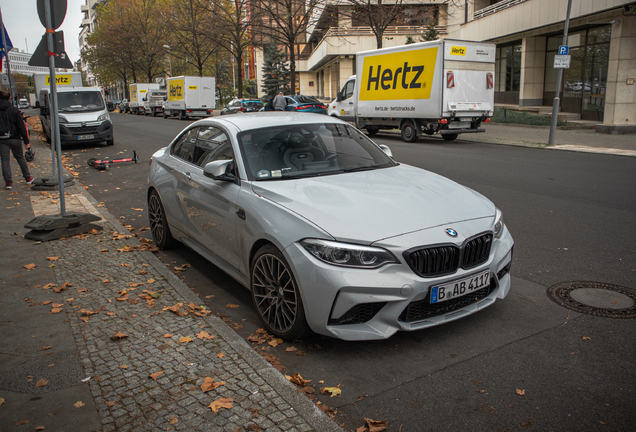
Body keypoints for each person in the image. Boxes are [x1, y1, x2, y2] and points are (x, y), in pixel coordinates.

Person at [0, 90, 33, 189]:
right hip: (14, 138)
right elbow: (21, 127)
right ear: (9, 98)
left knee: (5, 160)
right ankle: (28, 178)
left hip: (1, 139)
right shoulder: (14, 111)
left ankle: (8, 182)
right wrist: (26, 141)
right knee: (20, 158)